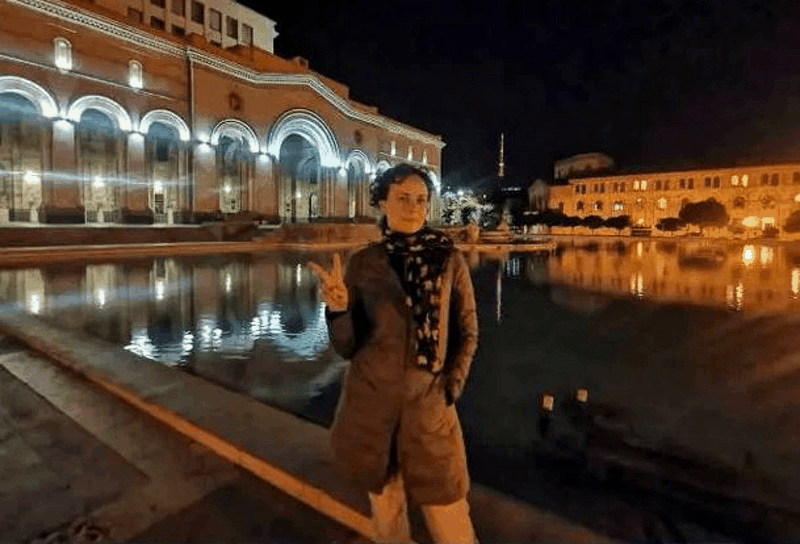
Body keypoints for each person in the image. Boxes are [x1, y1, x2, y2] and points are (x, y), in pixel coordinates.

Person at [308, 163, 479, 544]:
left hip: (429, 414)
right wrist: (338, 309)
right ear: (383, 203)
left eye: (420, 199)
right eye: (402, 198)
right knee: (388, 520)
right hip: (373, 414)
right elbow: (347, 347)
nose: (413, 207)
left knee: (452, 523)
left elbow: (467, 332)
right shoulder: (364, 263)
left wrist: (450, 388)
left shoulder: (449, 260)